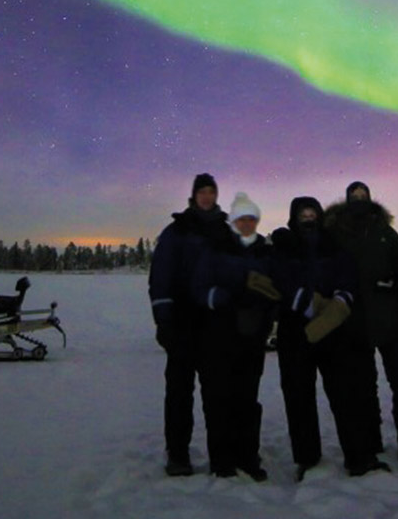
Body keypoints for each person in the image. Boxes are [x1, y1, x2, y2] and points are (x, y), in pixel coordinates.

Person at [270, 196, 384, 478]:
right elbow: (278, 279)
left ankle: (358, 456)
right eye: (303, 214)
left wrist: (341, 300)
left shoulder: (333, 245)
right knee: (299, 396)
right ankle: (307, 459)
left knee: (345, 393)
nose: (308, 218)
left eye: (312, 213)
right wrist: (305, 302)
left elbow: (348, 275)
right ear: (294, 217)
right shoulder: (284, 246)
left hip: (332, 329)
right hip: (294, 329)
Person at [325, 181, 398, 467]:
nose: (359, 200)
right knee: (363, 387)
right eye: (354, 197)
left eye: (363, 196)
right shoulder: (335, 233)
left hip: (389, 320)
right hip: (353, 324)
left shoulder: (385, 232)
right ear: (347, 200)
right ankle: (370, 441)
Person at [190, 192, 281, 479]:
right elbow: (199, 287)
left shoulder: (264, 251)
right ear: (233, 220)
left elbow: (275, 288)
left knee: (248, 399)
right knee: (220, 398)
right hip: (220, 335)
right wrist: (224, 297)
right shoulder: (216, 247)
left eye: (251, 219)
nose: (246, 223)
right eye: (241, 218)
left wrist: (265, 310)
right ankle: (222, 460)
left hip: (252, 335)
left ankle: (247, 455)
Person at [149, 173, 223, 477]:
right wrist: (164, 320)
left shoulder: (226, 231)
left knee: (218, 394)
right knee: (179, 395)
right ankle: (178, 455)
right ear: (193, 196)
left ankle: (221, 455)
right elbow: (160, 277)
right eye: (201, 192)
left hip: (216, 327)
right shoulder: (176, 231)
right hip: (182, 325)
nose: (206, 197)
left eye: (211, 191)